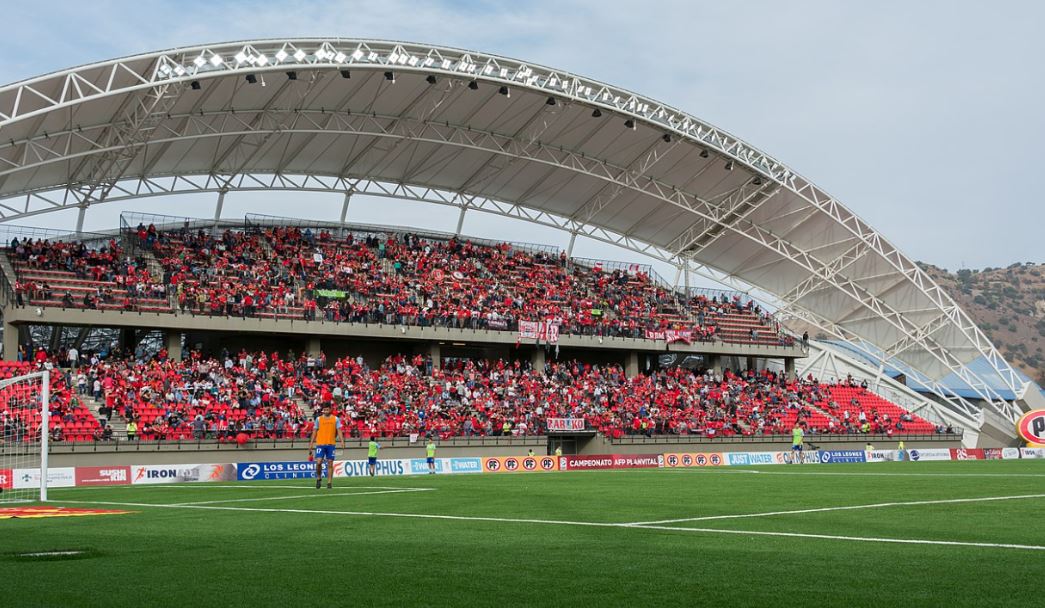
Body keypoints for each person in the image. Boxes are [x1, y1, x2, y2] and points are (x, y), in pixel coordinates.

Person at [308, 404, 345, 489]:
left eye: (327, 409)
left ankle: (329, 482)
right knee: (319, 462)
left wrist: (342, 441)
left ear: (330, 409)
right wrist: (311, 443)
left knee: (330, 463)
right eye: (324, 410)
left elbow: (339, 430)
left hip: (331, 444)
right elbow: (314, 431)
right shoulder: (318, 419)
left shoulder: (335, 419)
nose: (326, 411)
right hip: (320, 444)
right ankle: (319, 478)